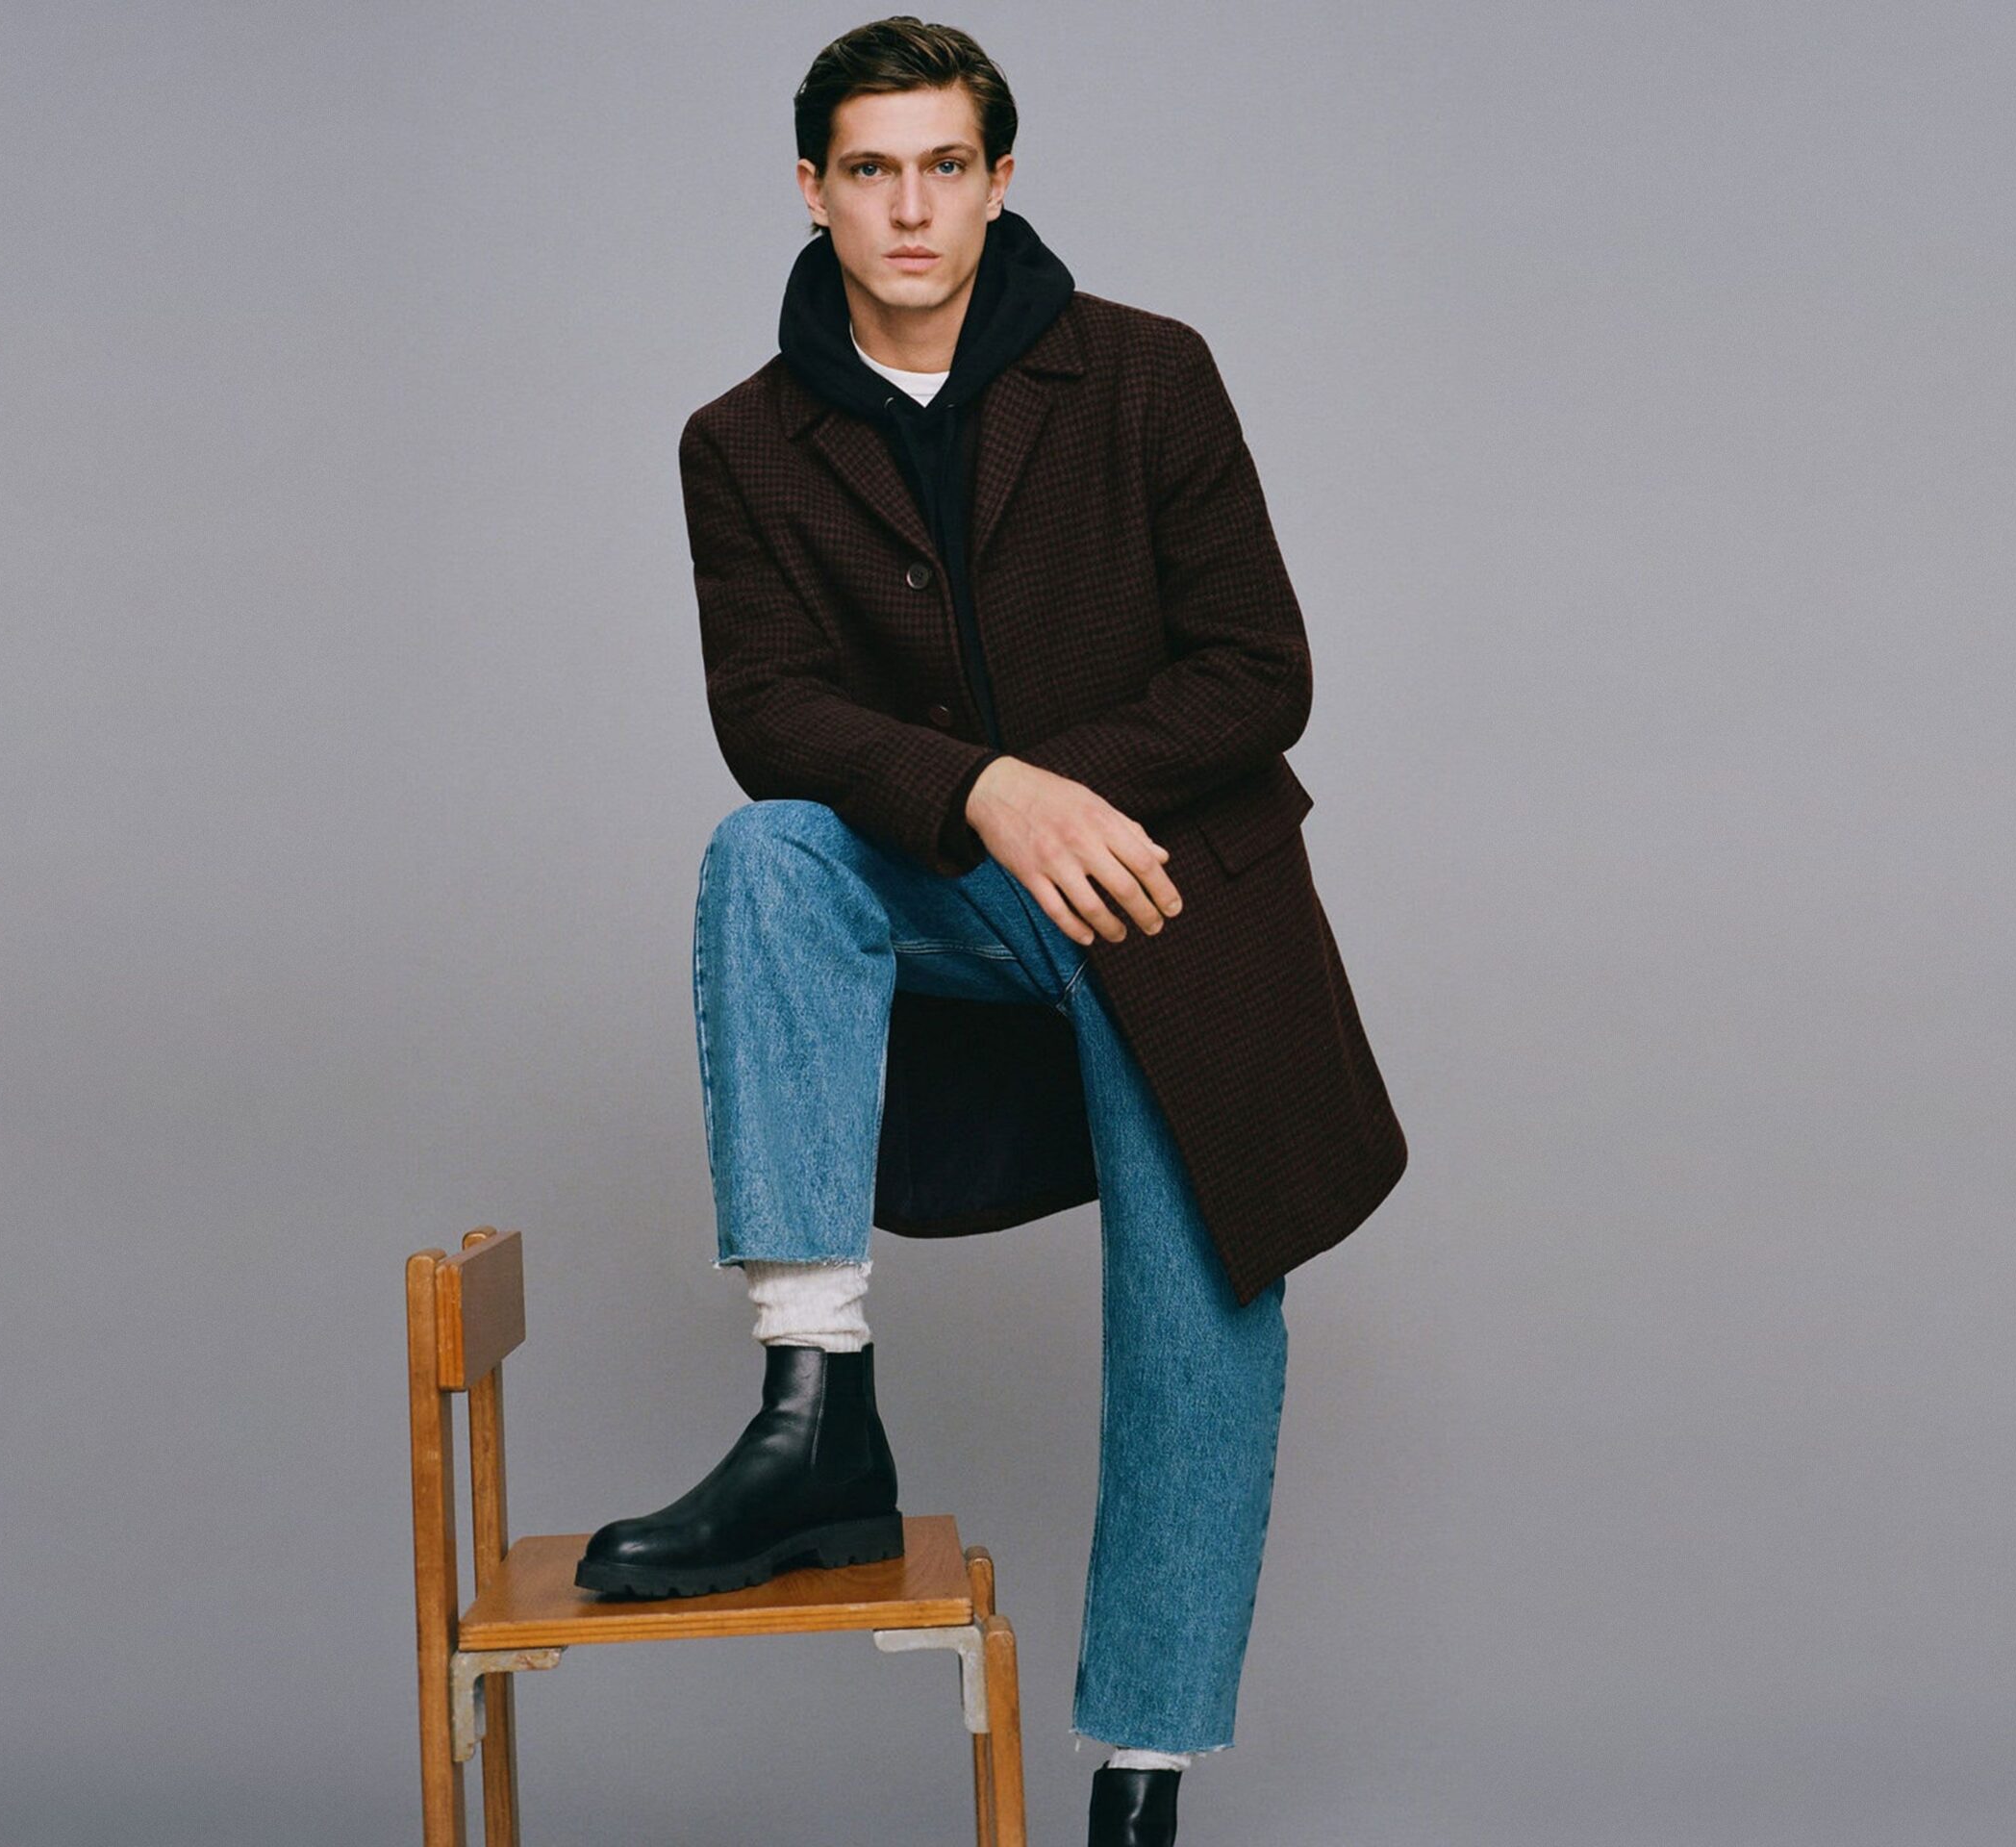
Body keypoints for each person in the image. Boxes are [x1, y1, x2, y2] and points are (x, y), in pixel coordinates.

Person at [575, 18, 1408, 1844]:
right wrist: (987, 799)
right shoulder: (741, 443)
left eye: (945, 166)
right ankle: (816, 1405)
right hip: (957, 901)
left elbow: (1259, 670)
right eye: (871, 170)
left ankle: (1144, 1779)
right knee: (768, 852)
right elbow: (769, 710)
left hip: (1167, 906)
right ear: (812, 191)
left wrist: (1061, 796)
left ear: (999, 179)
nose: (911, 209)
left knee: (1199, 1313)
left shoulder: (1147, 374)